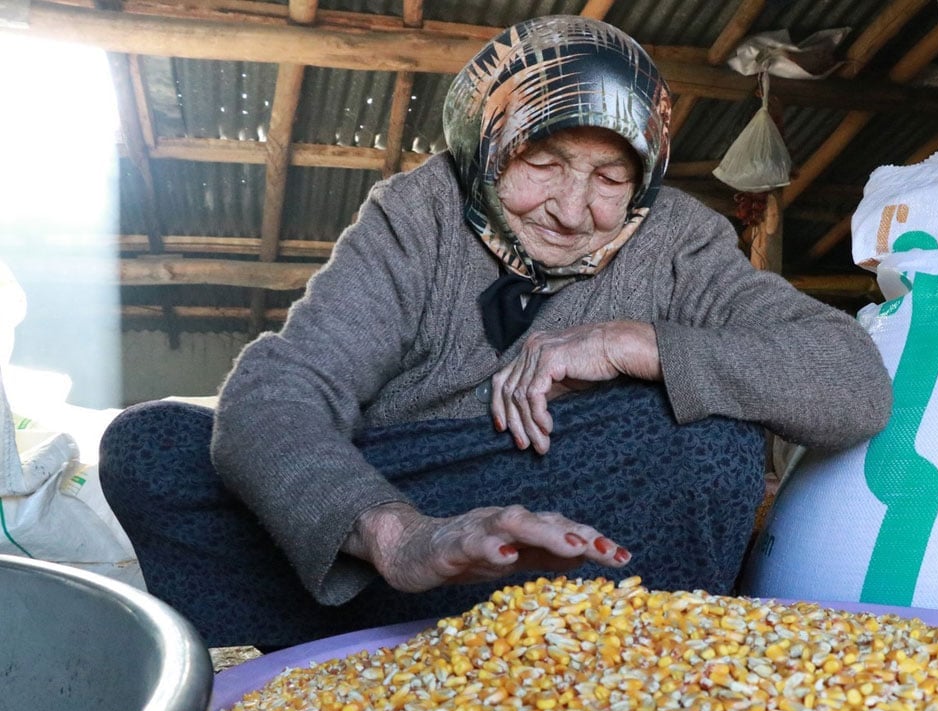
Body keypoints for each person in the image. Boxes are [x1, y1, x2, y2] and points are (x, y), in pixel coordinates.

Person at [99, 15, 892, 648]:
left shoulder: (678, 239)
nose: (574, 209)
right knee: (152, 447)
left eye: (612, 178)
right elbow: (285, 387)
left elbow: (853, 382)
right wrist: (399, 536)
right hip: (408, 512)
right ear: (487, 143)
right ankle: (395, 628)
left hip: (575, 516)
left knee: (710, 430)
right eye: (544, 163)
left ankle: (611, 655)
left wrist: (633, 343)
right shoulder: (421, 215)